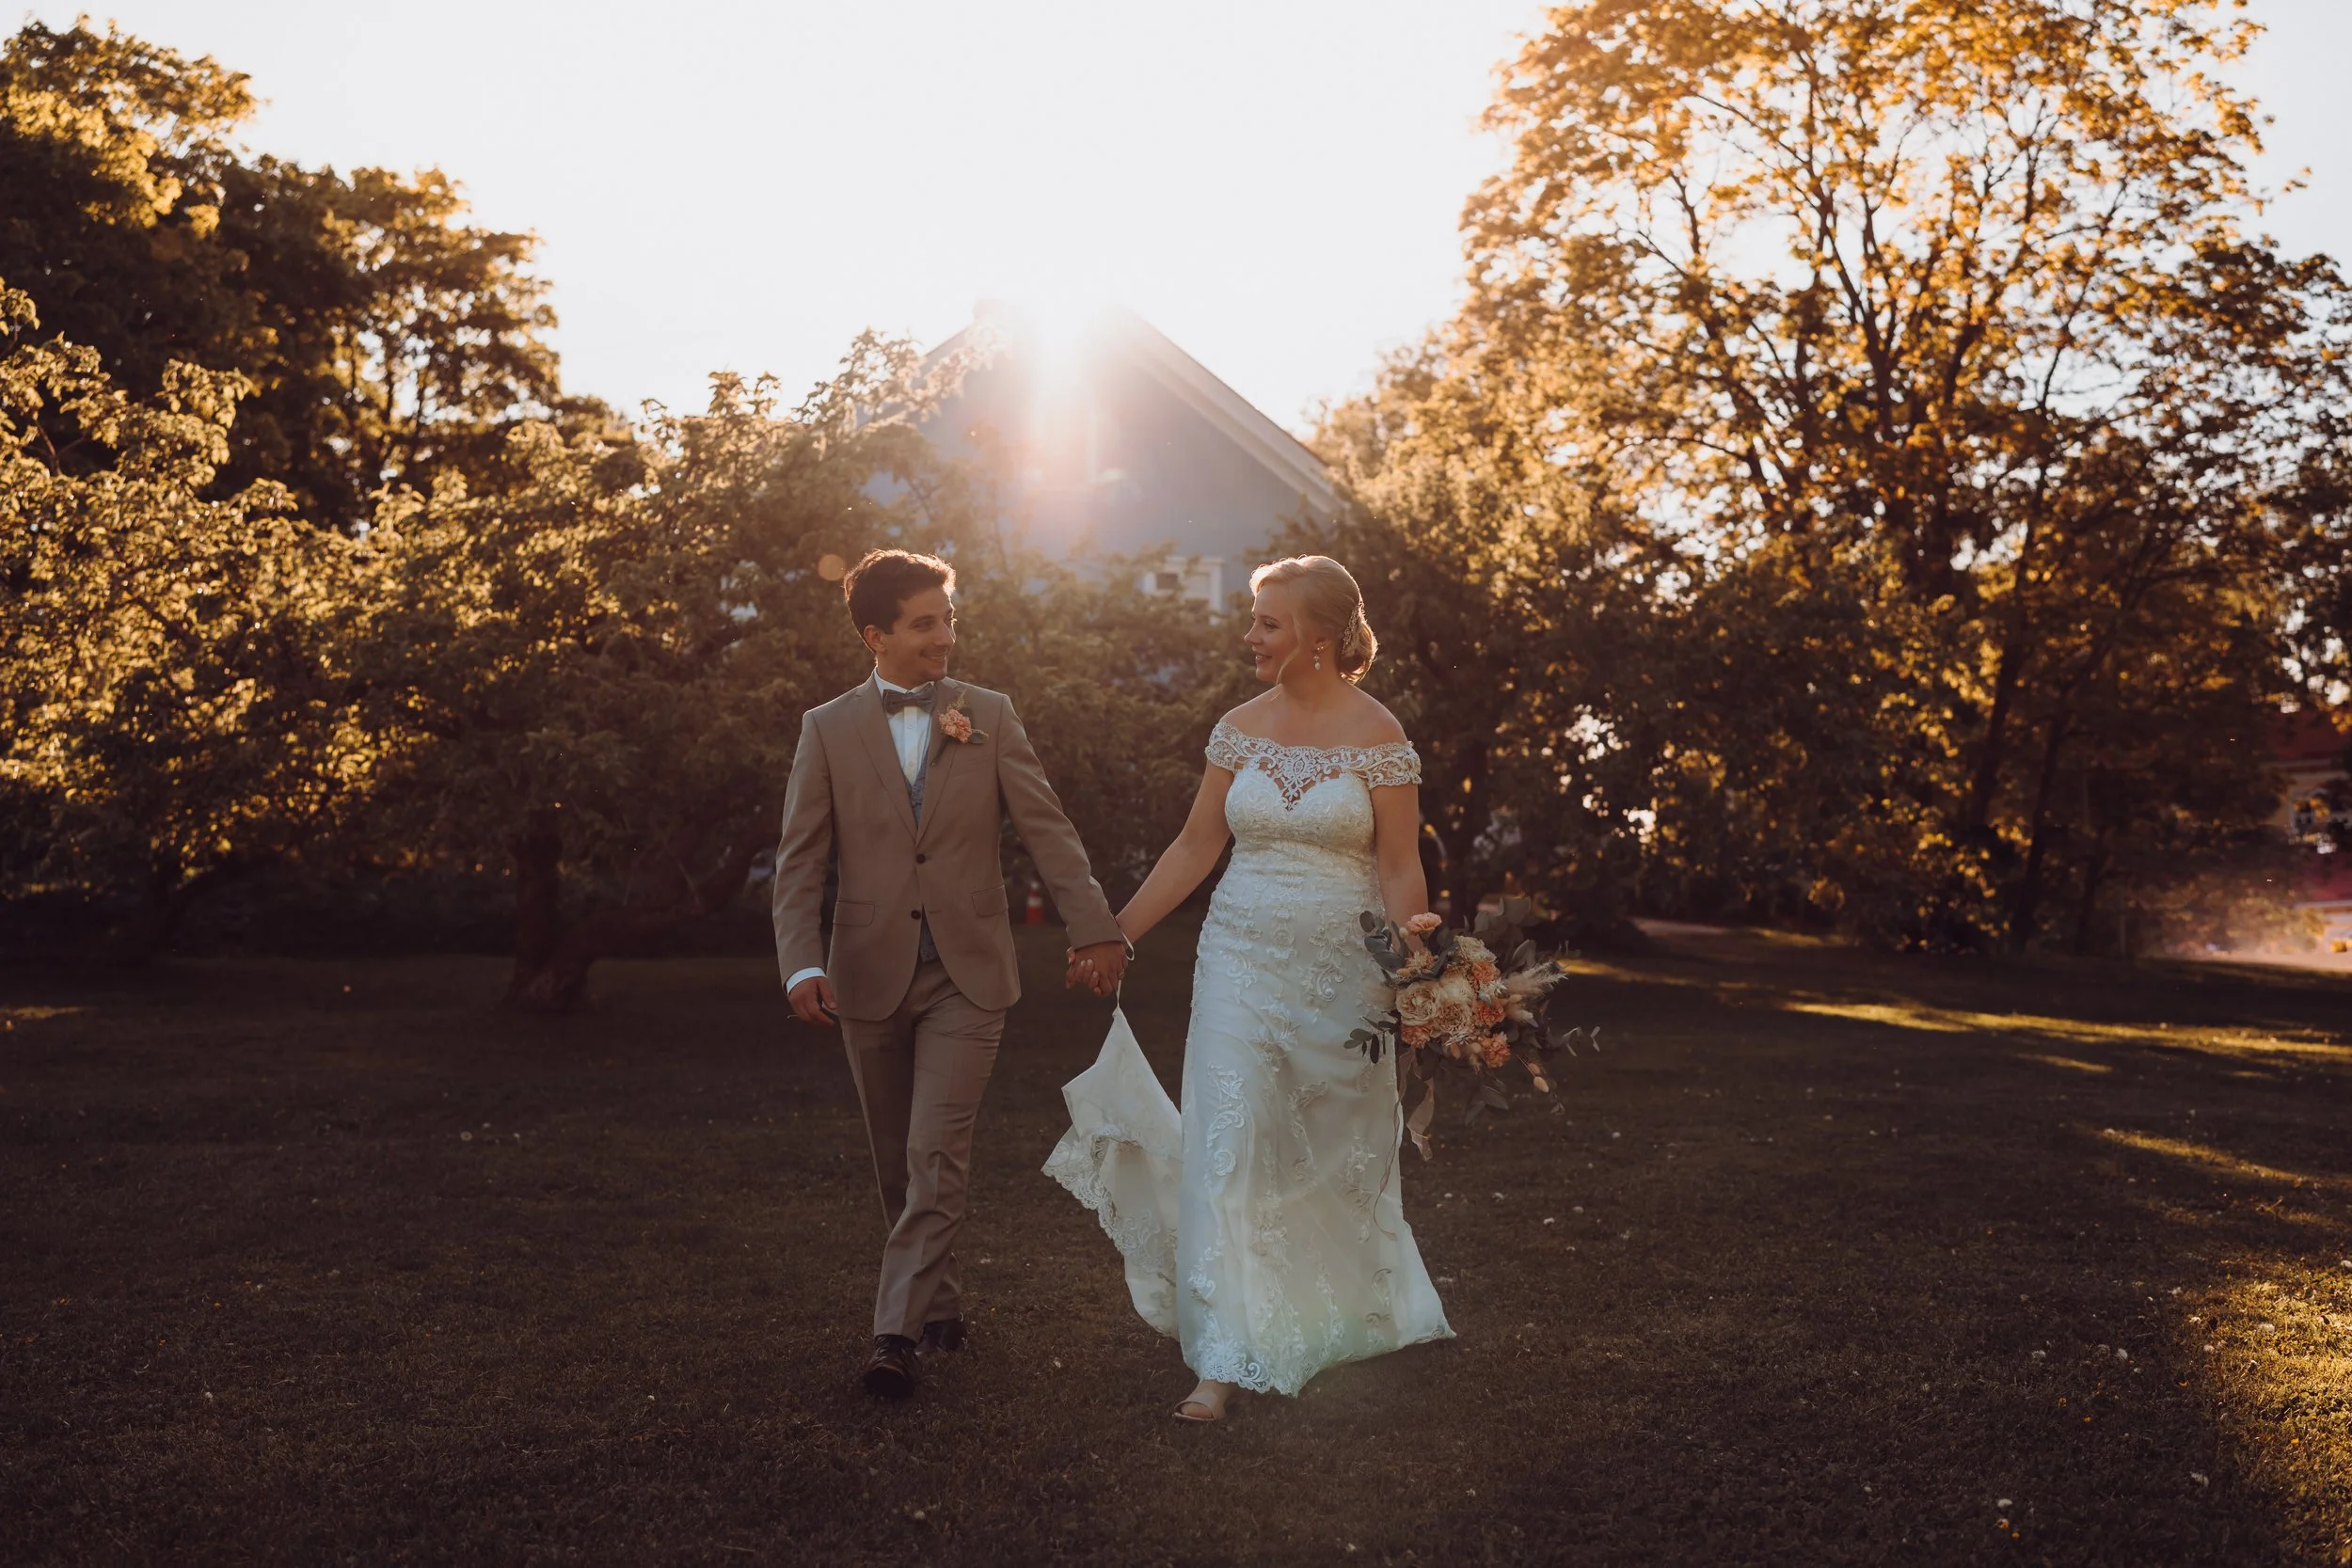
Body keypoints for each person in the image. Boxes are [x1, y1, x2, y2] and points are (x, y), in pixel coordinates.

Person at [1048, 554, 1454, 1422]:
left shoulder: (1381, 734)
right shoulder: (1238, 726)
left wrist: (1418, 977)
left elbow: (1396, 862)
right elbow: (1195, 846)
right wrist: (1115, 931)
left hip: (1343, 972)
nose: (1250, 634)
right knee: (1229, 1141)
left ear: (1317, 635)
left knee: (1330, 1149)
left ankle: (1332, 1308)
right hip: (1235, 957)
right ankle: (1223, 1355)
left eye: (1267, 621)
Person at [773, 548, 1129, 1399]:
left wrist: (1094, 927)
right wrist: (800, 964)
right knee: (896, 1162)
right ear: (876, 634)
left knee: (936, 1151)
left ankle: (893, 1335)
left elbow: (1049, 831)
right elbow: (800, 860)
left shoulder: (989, 714)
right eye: (925, 622)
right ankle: (941, 1303)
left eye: (949, 619)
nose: (945, 637)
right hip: (864, 972)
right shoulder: (825, 728)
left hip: (969, 974)